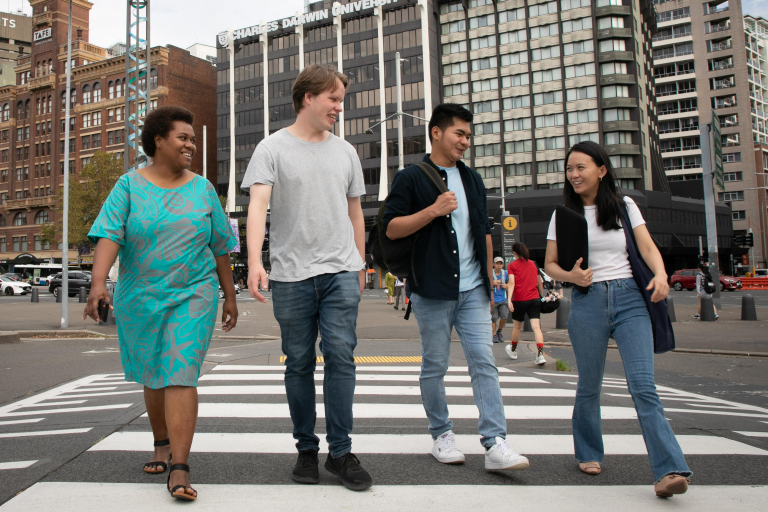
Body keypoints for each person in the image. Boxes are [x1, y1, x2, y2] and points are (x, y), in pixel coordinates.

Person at [83, 106, 239, 501]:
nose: (191, 145)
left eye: (192, 139)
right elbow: (109, 234)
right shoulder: (128, 186)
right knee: (154, 372)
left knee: (180, 371)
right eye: (183, 137)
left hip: (194, 293)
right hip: (141, 295)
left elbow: (220, 246)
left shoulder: (202, 188)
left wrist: (230, 295)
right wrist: (98, 283)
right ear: (158, 140)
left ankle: (180, 467)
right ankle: (160, 441)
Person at [242, 64, 372, 491]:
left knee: (341, 356)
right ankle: (305, 450)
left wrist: (360, 261)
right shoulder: (271, 148)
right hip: (292, 274)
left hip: (340, 269)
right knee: (298, 362)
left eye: (341, 99)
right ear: (307, 99)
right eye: (333, 99)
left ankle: (340, 452)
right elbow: (258, 206)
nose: (339, 107)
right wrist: (256, 262)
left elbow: (355, 211)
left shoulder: (346, 151)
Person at [384, 103, 529, 471]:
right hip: (432, 289)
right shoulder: (411, 178)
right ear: (436, 132)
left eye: (468, 135)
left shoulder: (473, 180)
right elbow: (391, 228)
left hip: (474, 289)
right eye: (459, 134)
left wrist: (492, 276)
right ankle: (441, 434)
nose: (465, 141)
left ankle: (495, 442)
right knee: (435, 365)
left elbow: (482, 232)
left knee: (484, 363)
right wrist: (433, 210)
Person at [543, 141, 691, 497]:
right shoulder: (564, 215)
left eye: (581, 167)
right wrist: (572, 277)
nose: (574, 174)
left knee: (643, 386)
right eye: (570, 169)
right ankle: (589, 452)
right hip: (587, 301)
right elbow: (549, 264)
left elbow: (647, 247)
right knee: (589, 385)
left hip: (629, 299)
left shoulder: (625, 207)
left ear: (602, 170)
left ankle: (669, 468)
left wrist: (660, 274)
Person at [505, 243, 546, 364]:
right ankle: (540, 355)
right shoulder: (533, 264)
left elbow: (511, 283)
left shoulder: (512, 265)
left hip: (519, 299)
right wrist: (540, 296)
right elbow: (540, 282)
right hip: (534, 298)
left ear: (515, 253)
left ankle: (513, 350)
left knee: (517, 326)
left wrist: (509, 300)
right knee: (536, 328)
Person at [490, 256, 509, 343]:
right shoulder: (490, 273)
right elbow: (485, 282)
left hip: (503, 299)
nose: (498, 265)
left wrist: (506, 285)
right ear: (494, 264)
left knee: (504, 317)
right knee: (493, 318)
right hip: (493, 299)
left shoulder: (505, 273)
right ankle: (493, 334)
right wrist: (492, 283)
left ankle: (499, 331)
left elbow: (511, 283)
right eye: (497, 263)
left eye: (500, 263)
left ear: (503, 265)